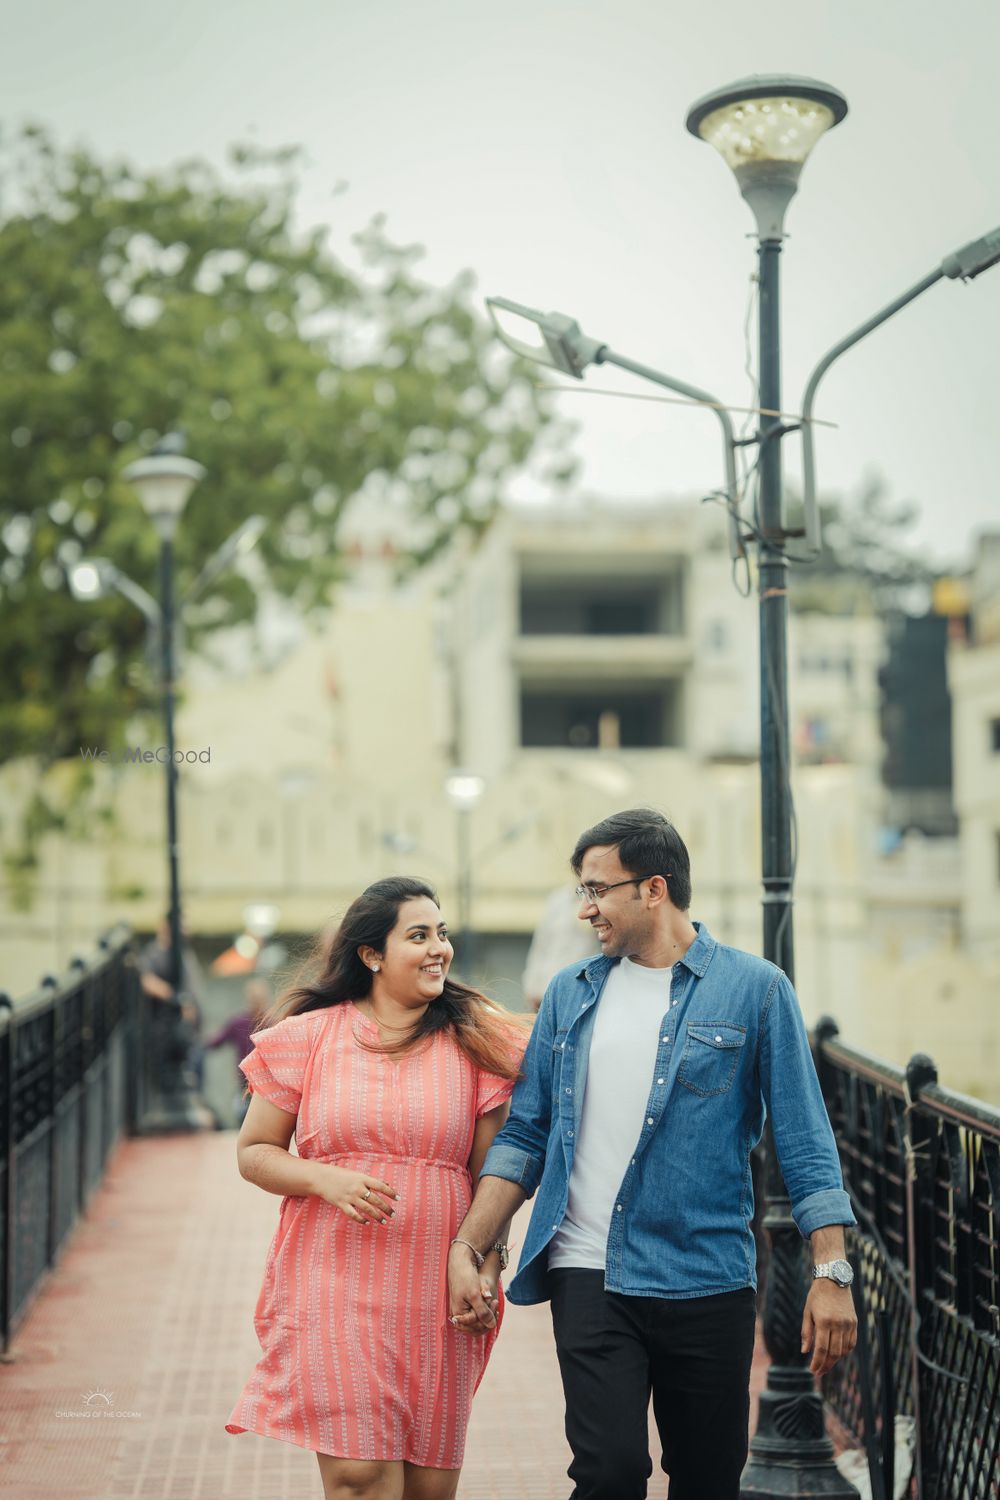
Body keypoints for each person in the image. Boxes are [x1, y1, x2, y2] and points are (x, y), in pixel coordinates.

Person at [447, 808, 858, 1500]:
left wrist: (833, 1271)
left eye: (598, 889)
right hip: (589, 1272)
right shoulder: (568, 999)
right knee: (608, 1473)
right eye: (583, 890)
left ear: (654, 889)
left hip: (706, 1276)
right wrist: (472, 1242)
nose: (585, 909)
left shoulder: (755, 990)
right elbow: (526, 1134)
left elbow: (805, 1139)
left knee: (705, 1478)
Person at [225, 876, 529, 1500]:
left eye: (441, 934)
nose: (439, 948)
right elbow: (254, 1153)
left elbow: (491, 1177)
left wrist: (486, 1265)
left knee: (427, 1488)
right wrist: (323, 1177)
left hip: (437, 1287)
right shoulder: (308, 1039)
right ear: (372, 955)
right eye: (418, 936)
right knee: (360, 1481)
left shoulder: (476, 1042)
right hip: (333, 1283)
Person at [137, 916, 207, 1091]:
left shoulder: (182, 953)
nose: (185, 934)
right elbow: (145, 980)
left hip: (190, 1038)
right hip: (169, 1040)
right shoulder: (155, 953)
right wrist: (176, 998)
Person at [203, 976, 272, 1125]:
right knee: (244, 1120)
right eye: (253, 997)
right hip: (244, 1084)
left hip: (267, 1084)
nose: (256, 1001)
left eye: (259, 997)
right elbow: (216, 1041)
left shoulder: (272, 1023)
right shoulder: (238, 1022)